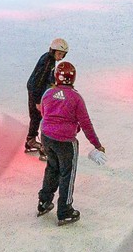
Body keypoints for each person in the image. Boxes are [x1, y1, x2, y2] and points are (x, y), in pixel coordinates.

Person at [35, 61, 105, 227]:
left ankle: (44, 201)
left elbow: (44, 113)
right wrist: (97, 144)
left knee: (52, 168)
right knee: (67, 173)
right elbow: (86, 123)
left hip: (46, 137)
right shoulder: (76, 98)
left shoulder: (48, 93)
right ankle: (65, 211)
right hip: (65, 142)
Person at [24, 38, 68, 155]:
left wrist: (54, 83)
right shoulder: (47, 62)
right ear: (53, 51)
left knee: (37, 118)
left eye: (62, 55)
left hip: (38, 92)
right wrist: (37, 101)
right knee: (41, 118)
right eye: (59, 54)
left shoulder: (50, 59)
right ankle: (43, 147)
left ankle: (31, 140)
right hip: (36, 93)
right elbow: (38, 81)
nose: (60, 57)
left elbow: (47, 77)